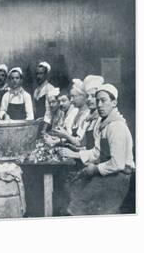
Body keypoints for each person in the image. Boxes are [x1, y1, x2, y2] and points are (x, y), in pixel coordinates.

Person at [59, 83, 135, 215]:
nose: (99, 104)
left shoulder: (116, 126)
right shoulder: (103, 124)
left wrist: (94, 169)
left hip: (118, 178)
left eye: (103, 100)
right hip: (108, 174)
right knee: (73, 191)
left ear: (114, 102)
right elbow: (97, 152)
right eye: (97, 100)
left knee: (78, 206)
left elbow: (118, 164)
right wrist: (78, 157)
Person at [51, 78, 90, 149]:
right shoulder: (77, 113)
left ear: (83, 96)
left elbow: (80, 143)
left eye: (73, 96)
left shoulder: (87, 115)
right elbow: (71, 137)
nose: (71, 100)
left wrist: (65, 135)